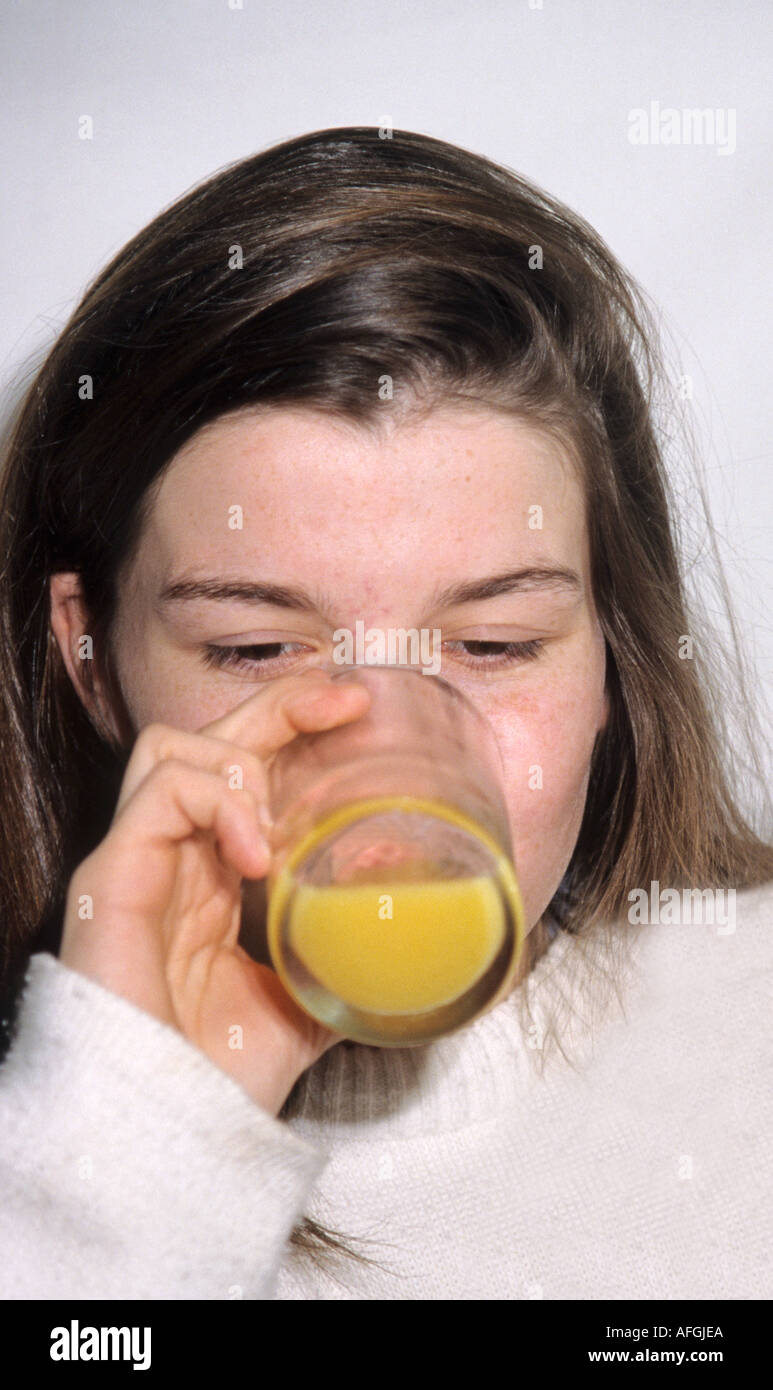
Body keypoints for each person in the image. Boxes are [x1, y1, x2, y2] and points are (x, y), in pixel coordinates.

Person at [0, 126, 770, 1301]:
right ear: (93, 664)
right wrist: (125, 1156)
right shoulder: (37, 1167)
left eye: (495, 643)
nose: (377, 742)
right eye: (256, 648)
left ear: (612, 660)